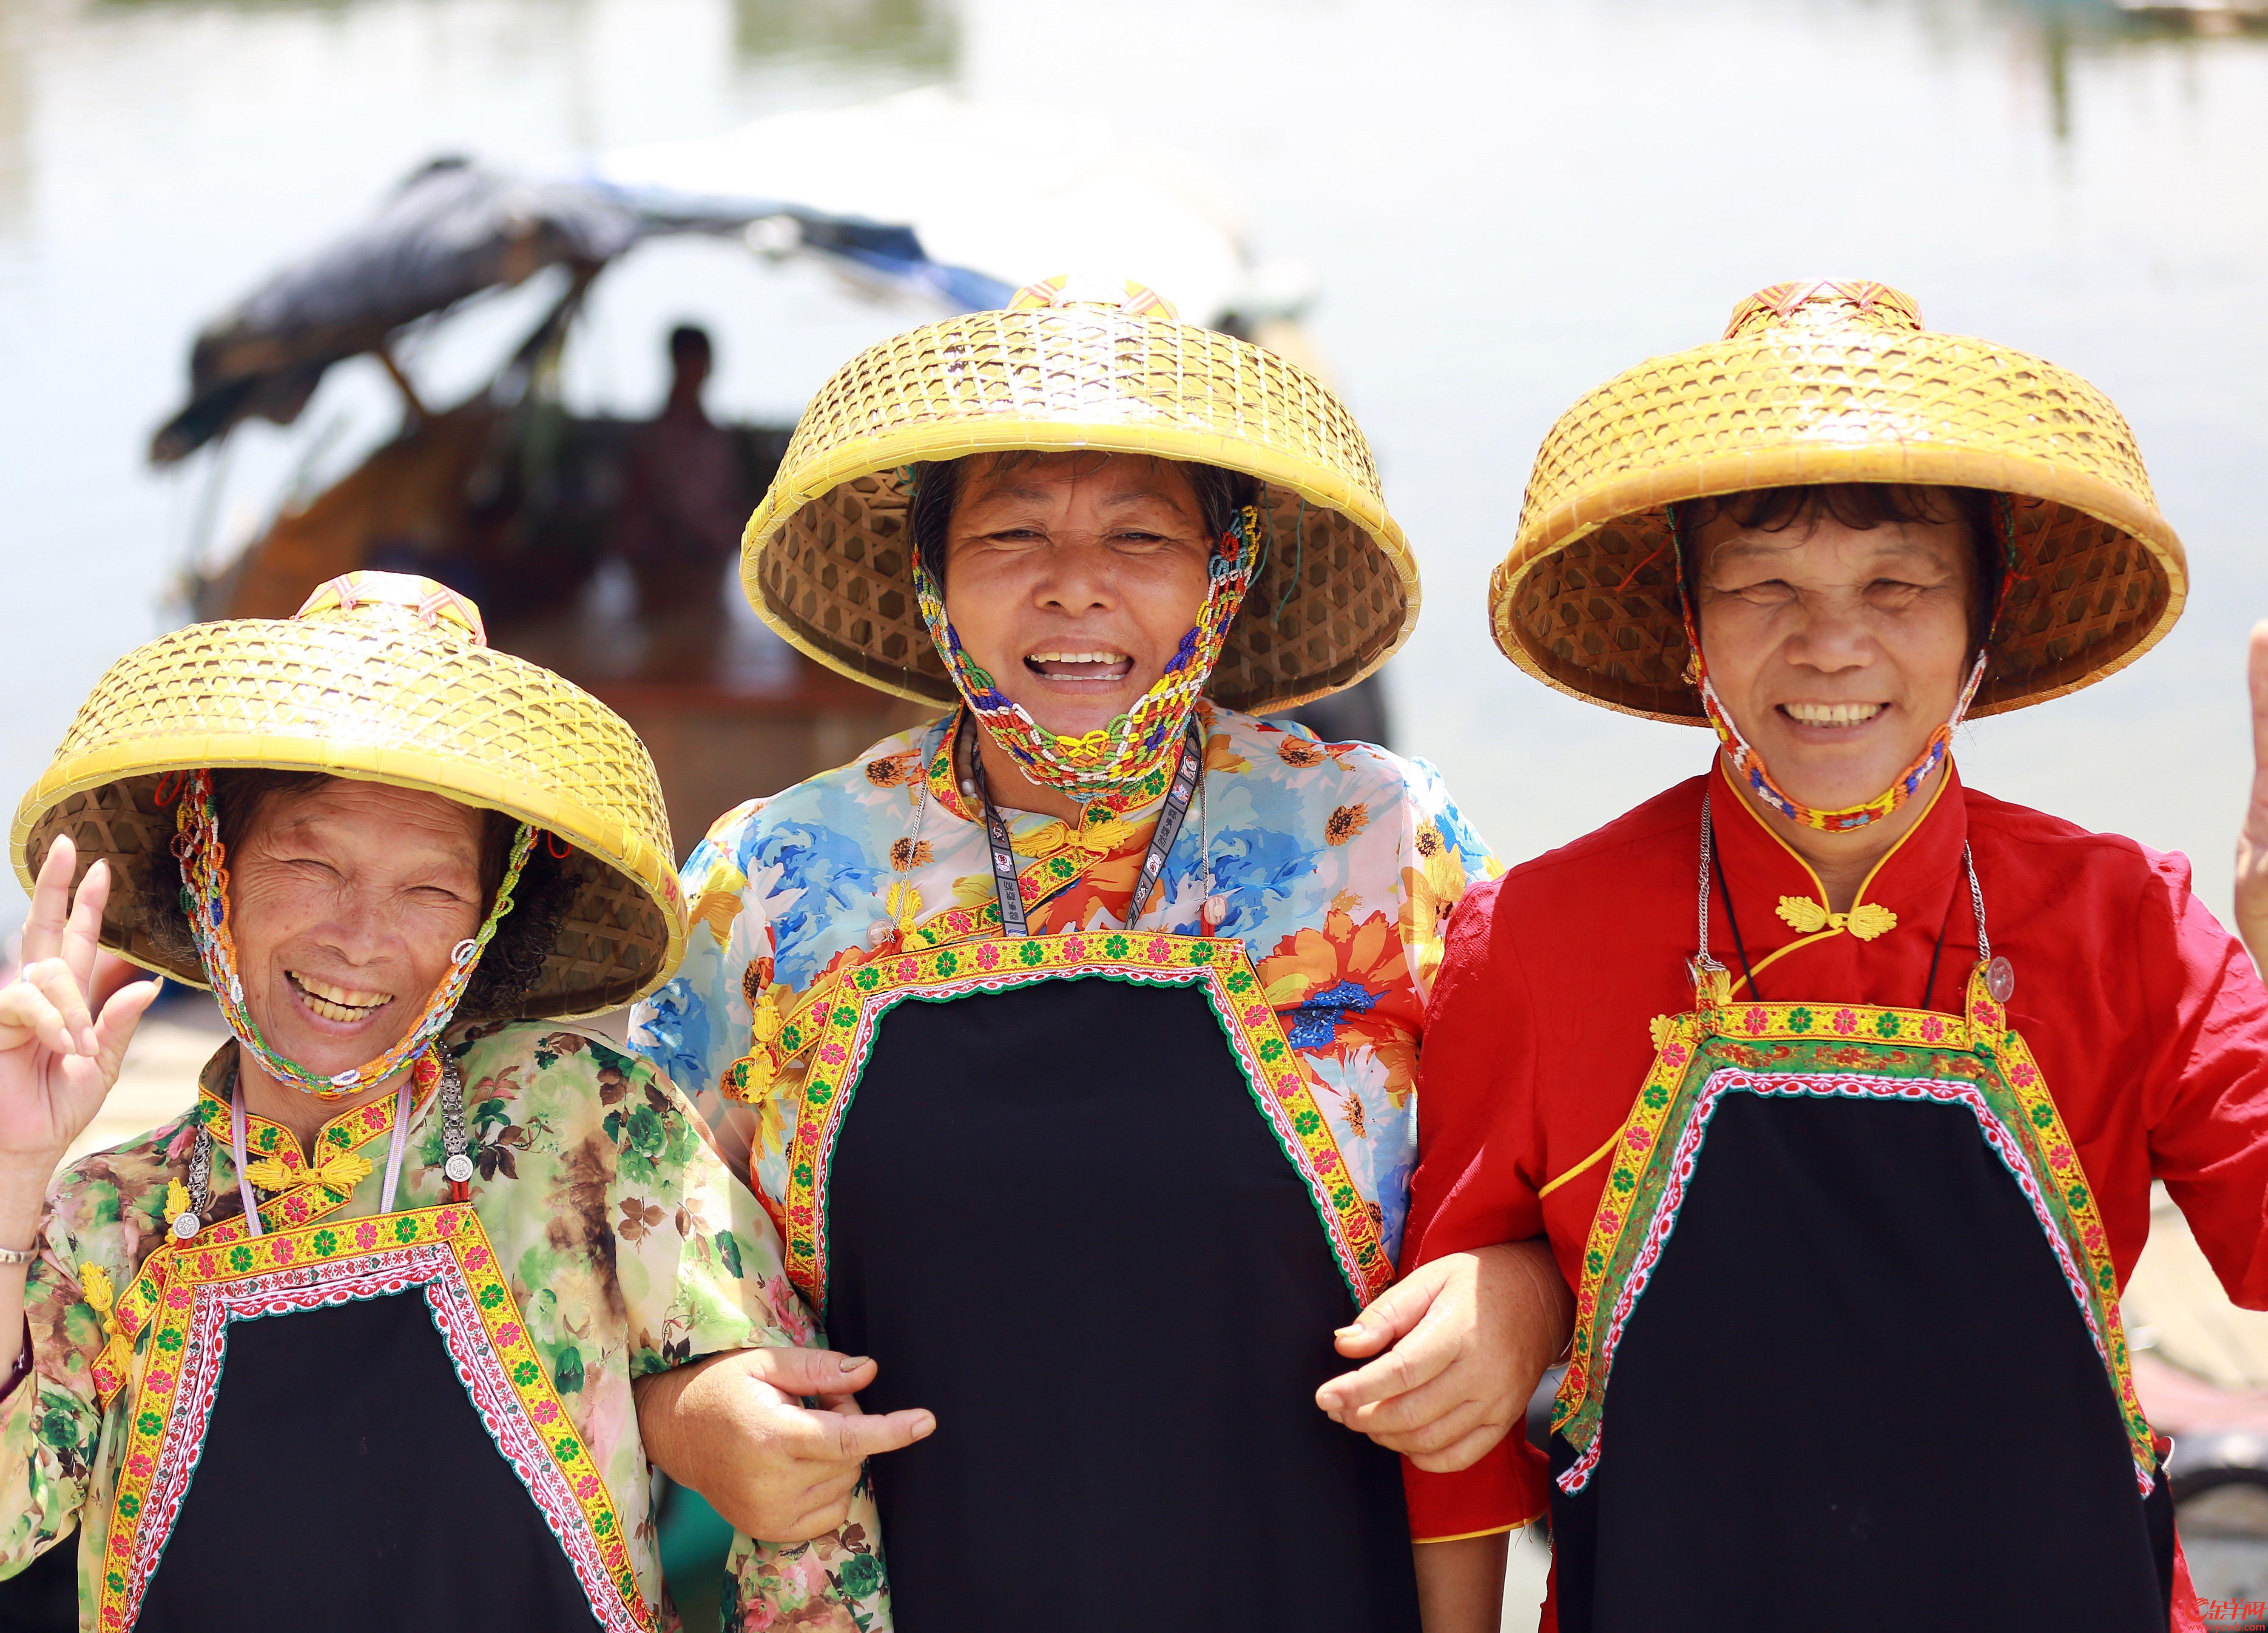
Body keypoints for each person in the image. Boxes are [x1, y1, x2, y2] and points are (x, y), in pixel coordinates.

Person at [626, 274, 1568, 1631]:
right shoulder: (771, 884)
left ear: (1224, 570)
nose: (1077, 583)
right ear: (932, 575)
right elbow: (626, 1255)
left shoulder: (1381, 842)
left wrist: (1520, 1295)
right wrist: (691, 1409)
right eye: (1012, 530)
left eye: (1141, 532)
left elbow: (1560, 1189)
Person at [1401, 279, 2268, 1632]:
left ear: (1989, 611)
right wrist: (1511, 1293)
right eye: (1763, 587)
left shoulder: (2130, 924)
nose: (1832, 643)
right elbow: (1443, 1415)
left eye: (1898, 584)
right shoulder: (1539, 937)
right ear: (1686, 617)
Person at [0, 573, 891, 1632]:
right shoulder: (113, 1220)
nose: (358, 935)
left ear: (486, 921)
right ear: (212, 867)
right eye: (311, 860)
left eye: (429, 887)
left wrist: (720, 1424)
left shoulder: (583, 1123)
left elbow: (809, 1501)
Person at [614, 323, 753, 632]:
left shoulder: (714, 436)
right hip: (663, 569)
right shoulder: (659, 437)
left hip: (706, 566)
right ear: (679, 363)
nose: (701, 371)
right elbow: (676, 508)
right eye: (695, 362)